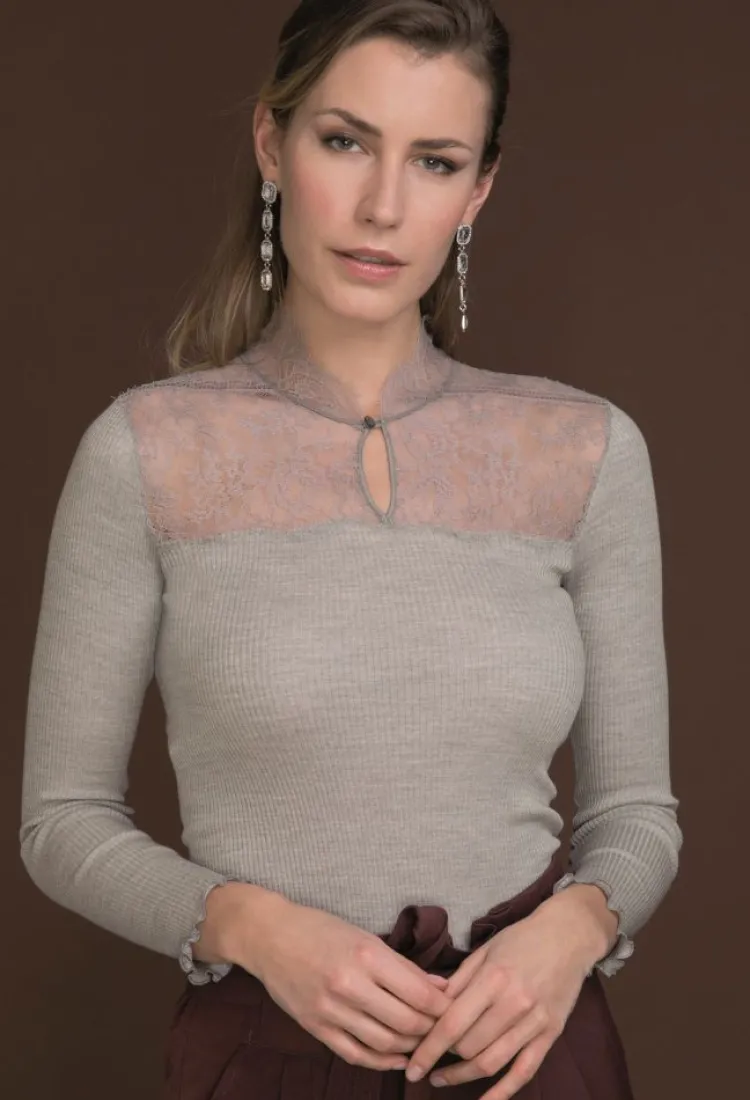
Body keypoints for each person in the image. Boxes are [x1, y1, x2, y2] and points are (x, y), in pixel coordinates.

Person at [20, 1, 682, 1097]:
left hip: (531, 1055)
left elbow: (636, 816)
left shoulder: (586, 449)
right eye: (345, 141)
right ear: (271, 143)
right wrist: (248, 923)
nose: (383, 206)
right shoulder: (147, 451)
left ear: (478, 191)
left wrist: (576, 927)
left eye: (435, 161)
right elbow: (63, 821)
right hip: (264, 1053)